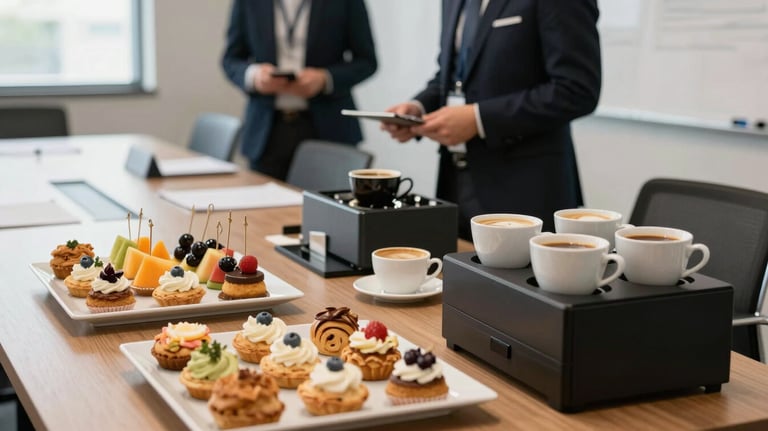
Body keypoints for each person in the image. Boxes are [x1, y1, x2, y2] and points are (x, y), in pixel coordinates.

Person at [382, 0, 601, 240]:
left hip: (525, 190)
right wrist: (417, 108)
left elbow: (577, 90)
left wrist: (478, 119)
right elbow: (456, 76)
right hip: (455, 185)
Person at [222, 0, 377, 180]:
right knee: (265, 204)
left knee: (327, 205)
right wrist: (254, 76)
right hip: (267, 131)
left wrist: (325, 78)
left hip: (329, 126)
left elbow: (367, 61)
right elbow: (231, 59)